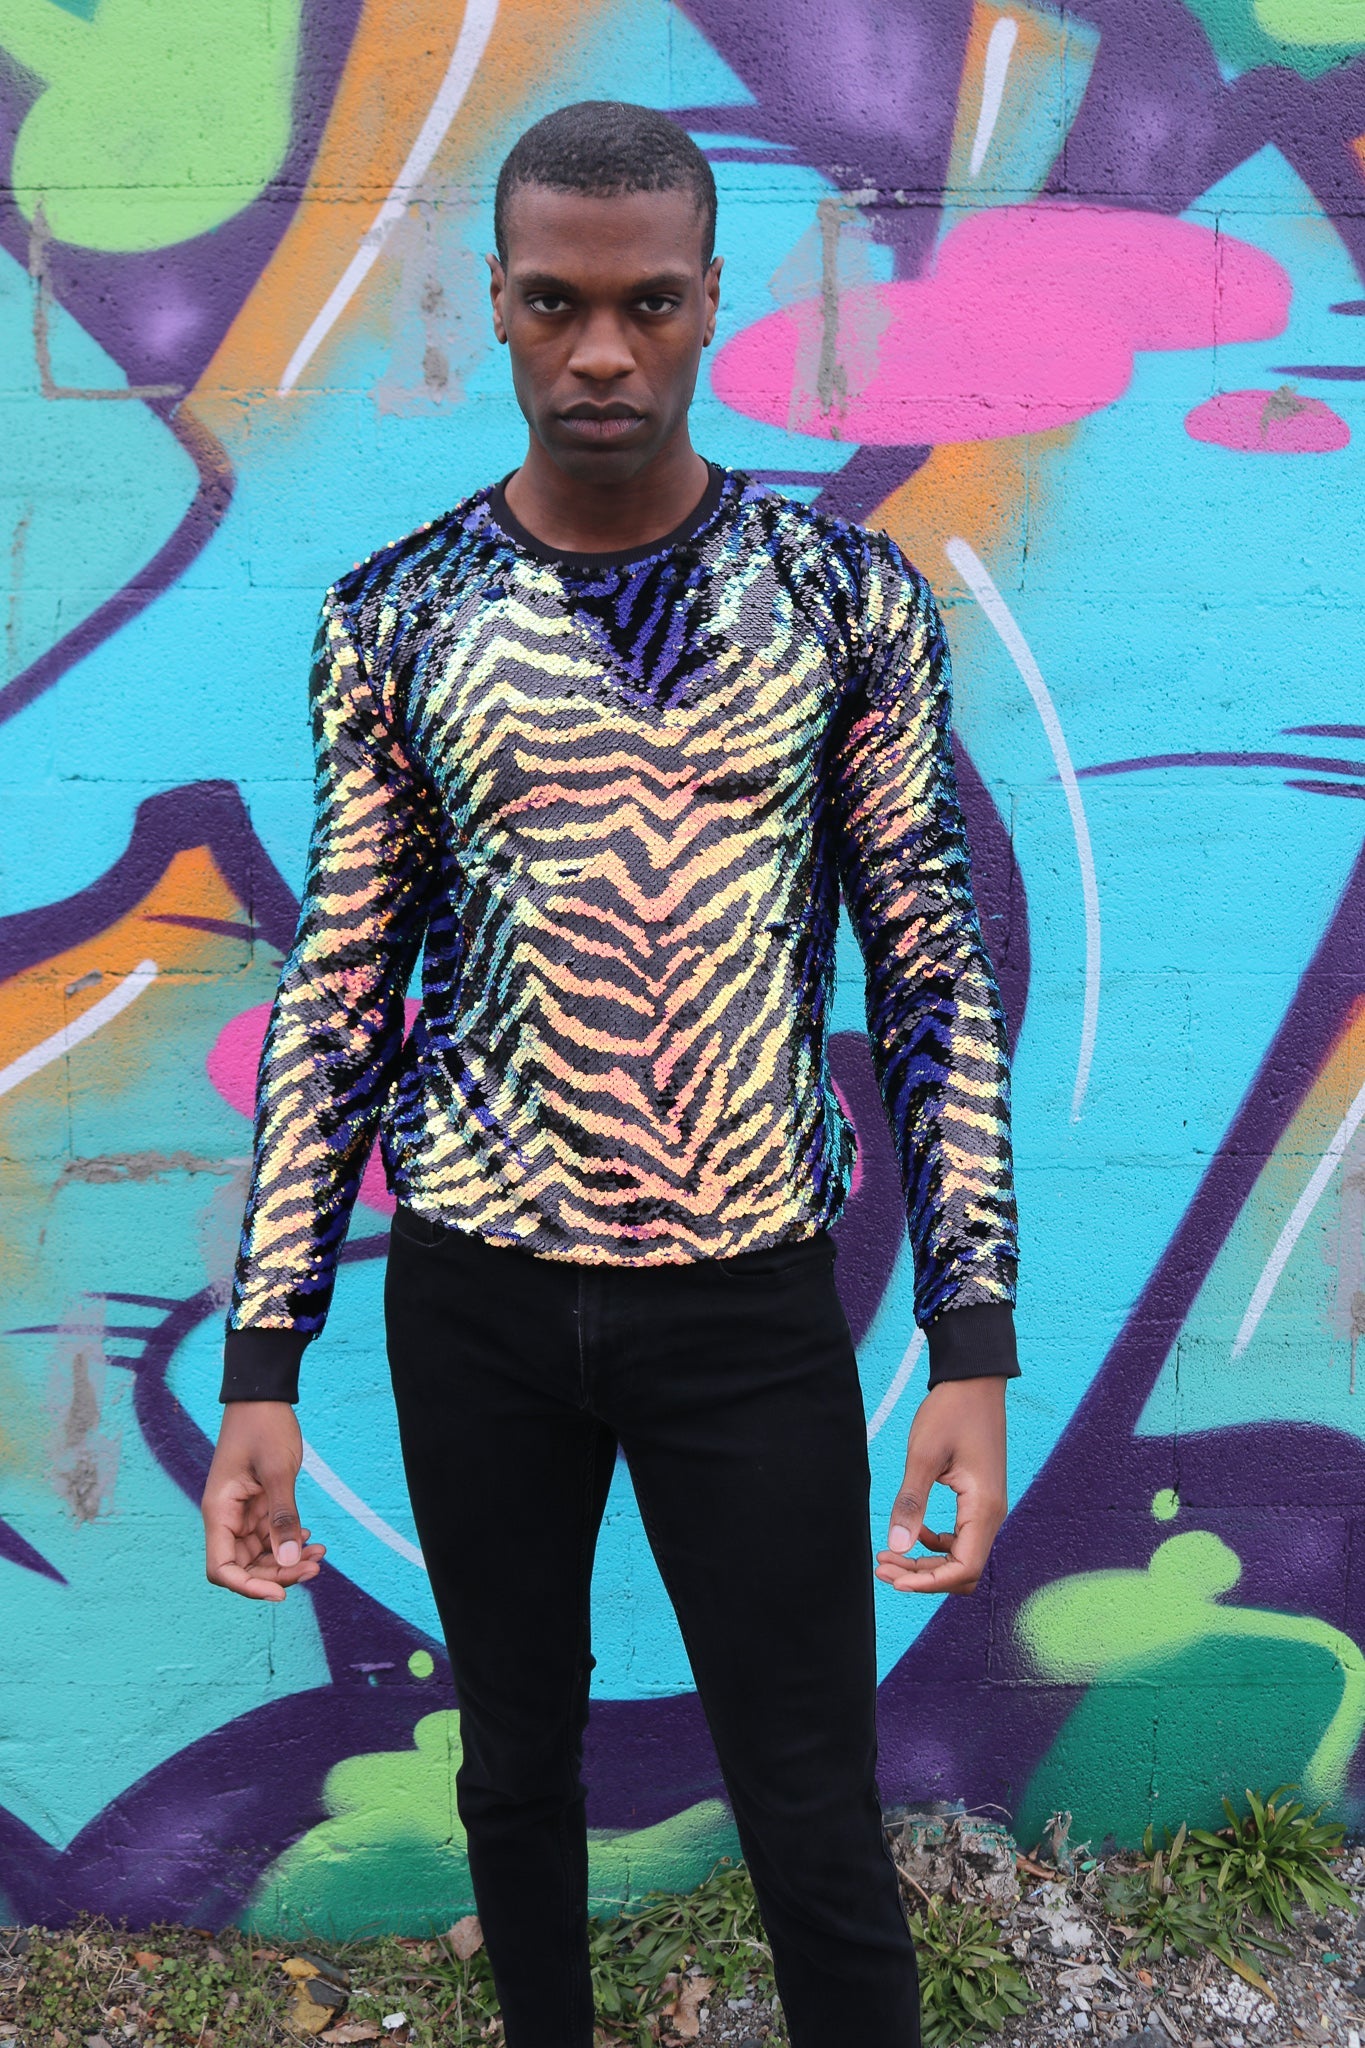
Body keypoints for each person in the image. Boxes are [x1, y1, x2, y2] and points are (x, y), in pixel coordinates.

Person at [201, 98, 1020, 2048]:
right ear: (492, 301)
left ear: (709, 302)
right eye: (554, 303)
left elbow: (928, 964)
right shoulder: (399, 616)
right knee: (512, 1768)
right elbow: (341, 993)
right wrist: (262, 1358)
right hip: (475, 1299)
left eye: (645, 304)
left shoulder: (840, 602)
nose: (598, 351)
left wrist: (970, 1339)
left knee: (810, 1804)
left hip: (746, 1303)